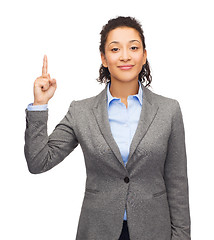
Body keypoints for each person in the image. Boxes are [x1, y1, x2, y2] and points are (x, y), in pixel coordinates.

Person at [24, 16, 191, 240]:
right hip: (97, 230)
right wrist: (40, 105)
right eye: (115, 49)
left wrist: (182, 237)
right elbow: (38, 162)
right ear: (104, 58)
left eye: (133, 47)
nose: (125, 56)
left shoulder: (169, 110)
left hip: (154, 230)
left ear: (144, 56)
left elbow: (177, 181)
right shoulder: (81, 112)